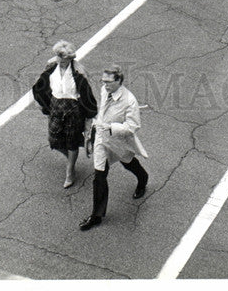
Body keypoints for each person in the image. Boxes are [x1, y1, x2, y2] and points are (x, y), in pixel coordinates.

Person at [79, 64, 149, 230]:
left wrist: (111, 127)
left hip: (117, 140)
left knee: (127, 162)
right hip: (102, 140)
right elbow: (102, 111)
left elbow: (133, 127)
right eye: (103, 81)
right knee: (99, 175)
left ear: (119, 81)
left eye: (109, 82)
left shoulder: (129, 100)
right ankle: (97, 215)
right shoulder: (105, 91)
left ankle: (143, 178)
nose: (105, 85)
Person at [32, 41, 97, 189]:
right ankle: (70, 159)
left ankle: (70, 171)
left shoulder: (78, 71)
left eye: (64, 59)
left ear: (70, 59)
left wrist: (89, 118)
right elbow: (41, 85)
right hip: (55, 105)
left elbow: (87, 95)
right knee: (53, 139)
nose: (60, 61)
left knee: (72, 141)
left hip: (73, 109)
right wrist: (44, 104)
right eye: (58, 57)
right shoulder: (51, 65)